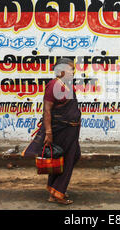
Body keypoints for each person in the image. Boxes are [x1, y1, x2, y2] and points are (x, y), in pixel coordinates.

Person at [24, 57, 81, 205]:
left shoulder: (66, 85)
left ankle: (54, 189)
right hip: (61, 130)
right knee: (66, 160)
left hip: (70, 131)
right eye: (70, 69)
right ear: (61, 70)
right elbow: (47, 110)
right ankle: (58, 193)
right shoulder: (53, 86)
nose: (73, 71)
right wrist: (48, 132)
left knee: (68, 157)